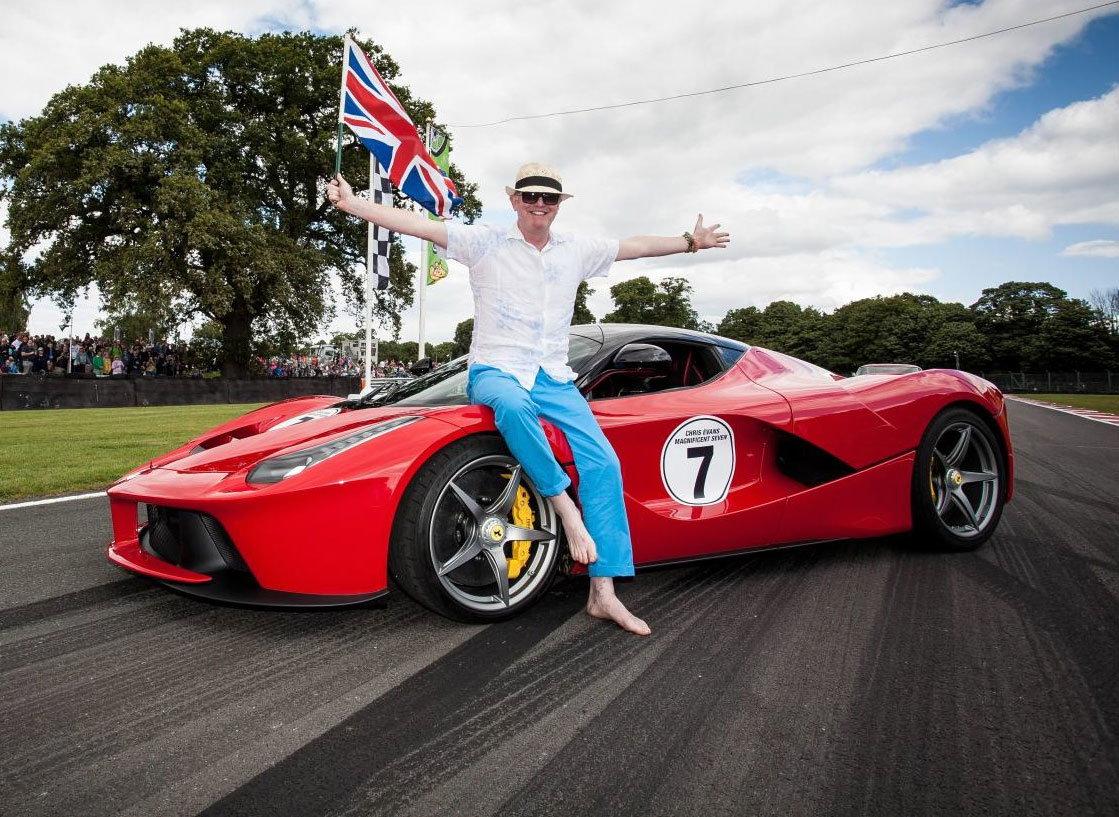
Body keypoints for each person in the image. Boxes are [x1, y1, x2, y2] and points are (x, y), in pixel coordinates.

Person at [328, 162, 729, 636]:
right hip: (496, 371)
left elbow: (634, 246)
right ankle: (566, 512)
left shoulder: (576, 249)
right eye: (531, 196)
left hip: (553, 378)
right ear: (514, 201)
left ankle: (603, 593)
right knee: (515, 408)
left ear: (558, 205)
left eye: (549, 198)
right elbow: (418, 224)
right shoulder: (485, 242)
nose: (540, 204)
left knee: (603, 464)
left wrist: (690, 242)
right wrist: (352, 204)